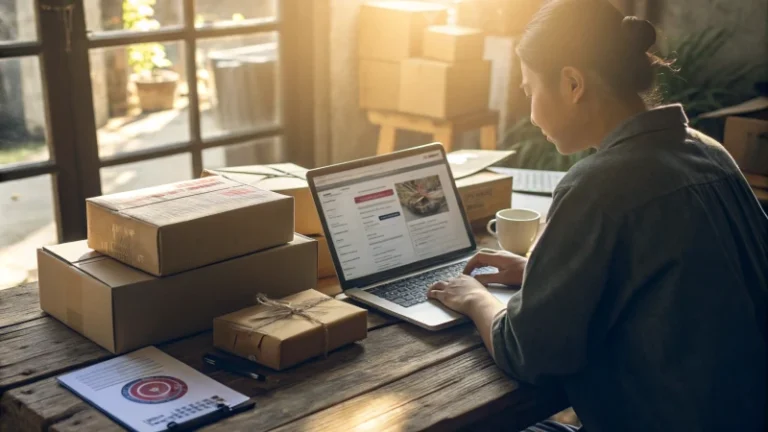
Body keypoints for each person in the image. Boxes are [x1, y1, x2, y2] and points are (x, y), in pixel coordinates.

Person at [426, 0, 768, 431]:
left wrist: (473, 297)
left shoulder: (597, 185)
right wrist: (538, 272)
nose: (531, 116)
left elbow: (527, 352)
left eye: (530, 91)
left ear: (572, 84)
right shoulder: (709, 153)